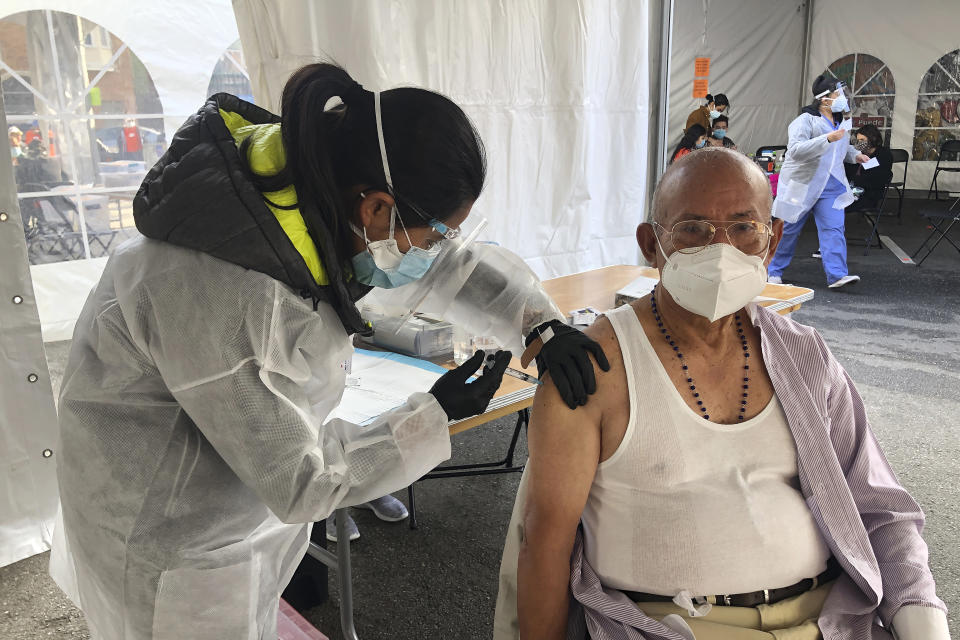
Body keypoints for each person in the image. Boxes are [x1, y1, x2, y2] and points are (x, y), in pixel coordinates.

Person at [48, 63, 608, 640]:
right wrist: (433, 414)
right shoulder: (220, 289)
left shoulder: (306, 196)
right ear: (375, 210)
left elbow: (454, 268)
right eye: (435, 233)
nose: (438, 251)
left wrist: (541, 324)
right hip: (167, 533)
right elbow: (301, 480)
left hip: (234, 498)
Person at [496, 148, 950, 640]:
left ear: (771, 240)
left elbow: (881, 507)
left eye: (742, 227)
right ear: (651, 244)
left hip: (833, 620)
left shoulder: (802, 354)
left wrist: (923, 623)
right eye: (691, 229)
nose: (720, 250)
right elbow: (545, 544)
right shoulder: (597, 369)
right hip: (668, 628)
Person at [767, 75, 870, 289]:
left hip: (831, 185)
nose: (843, 97)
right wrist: (826, 139)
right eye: (838, 94)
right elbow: (795, 150)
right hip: (801, 183)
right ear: (824, 99)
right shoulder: (804, 121)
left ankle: (837, 275)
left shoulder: (841, 120)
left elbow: (839, 150)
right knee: (788, 229)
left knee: (834, 228)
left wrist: (855, 155)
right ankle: (772, 271)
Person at [845, 123, 893, 211]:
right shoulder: (856, 153)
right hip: (851, 189)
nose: (859, 143)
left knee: (836, 206)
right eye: (858, 140)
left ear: (873, 139)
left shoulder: (883, 154)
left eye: (862, 140)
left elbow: (880, 177)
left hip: (869, 193)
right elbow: (847, 171)